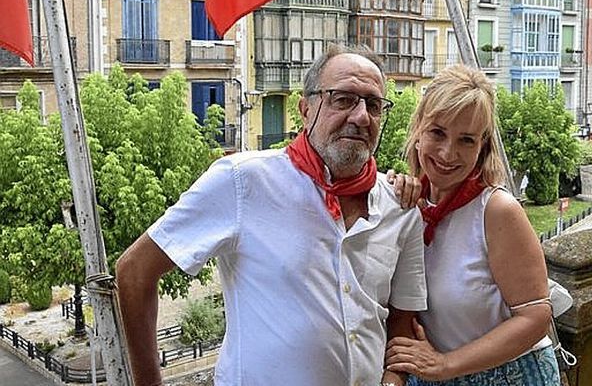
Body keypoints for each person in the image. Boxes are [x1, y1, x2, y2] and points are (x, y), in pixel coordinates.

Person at [116, 45, 427, 386]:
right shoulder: (242, 181)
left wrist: (392, 381)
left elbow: (401, 319)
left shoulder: (401, 207)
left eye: (374, 104)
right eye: (343, 99)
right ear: (306, 110)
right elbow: (134, 271)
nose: (361, 116)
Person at [385, 65, 559, 385]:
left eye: (466, 140)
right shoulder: (409, 204)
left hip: (511, 376)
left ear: (482, 148)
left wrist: (445, 364)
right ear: (419, 131)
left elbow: (536, 316)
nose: (448, 153)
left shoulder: (496, 210)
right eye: (438, 132)